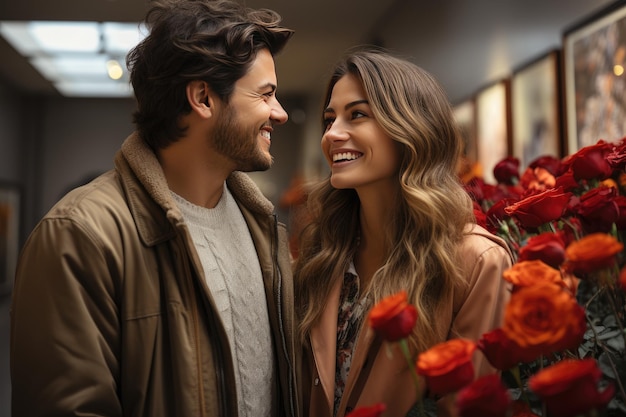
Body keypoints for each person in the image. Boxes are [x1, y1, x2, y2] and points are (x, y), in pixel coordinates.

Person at [10, 1, 299, 416]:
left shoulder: (264, 228)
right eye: (265, 94)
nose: (280, 113)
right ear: (203, 98)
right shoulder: (80, 235)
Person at [294, 48, 513, 417]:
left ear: (410, 127)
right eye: (329, 119)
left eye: (357, 115)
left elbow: (466, 408)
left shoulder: (476, 262)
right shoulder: (324, 255)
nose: (333, 133)